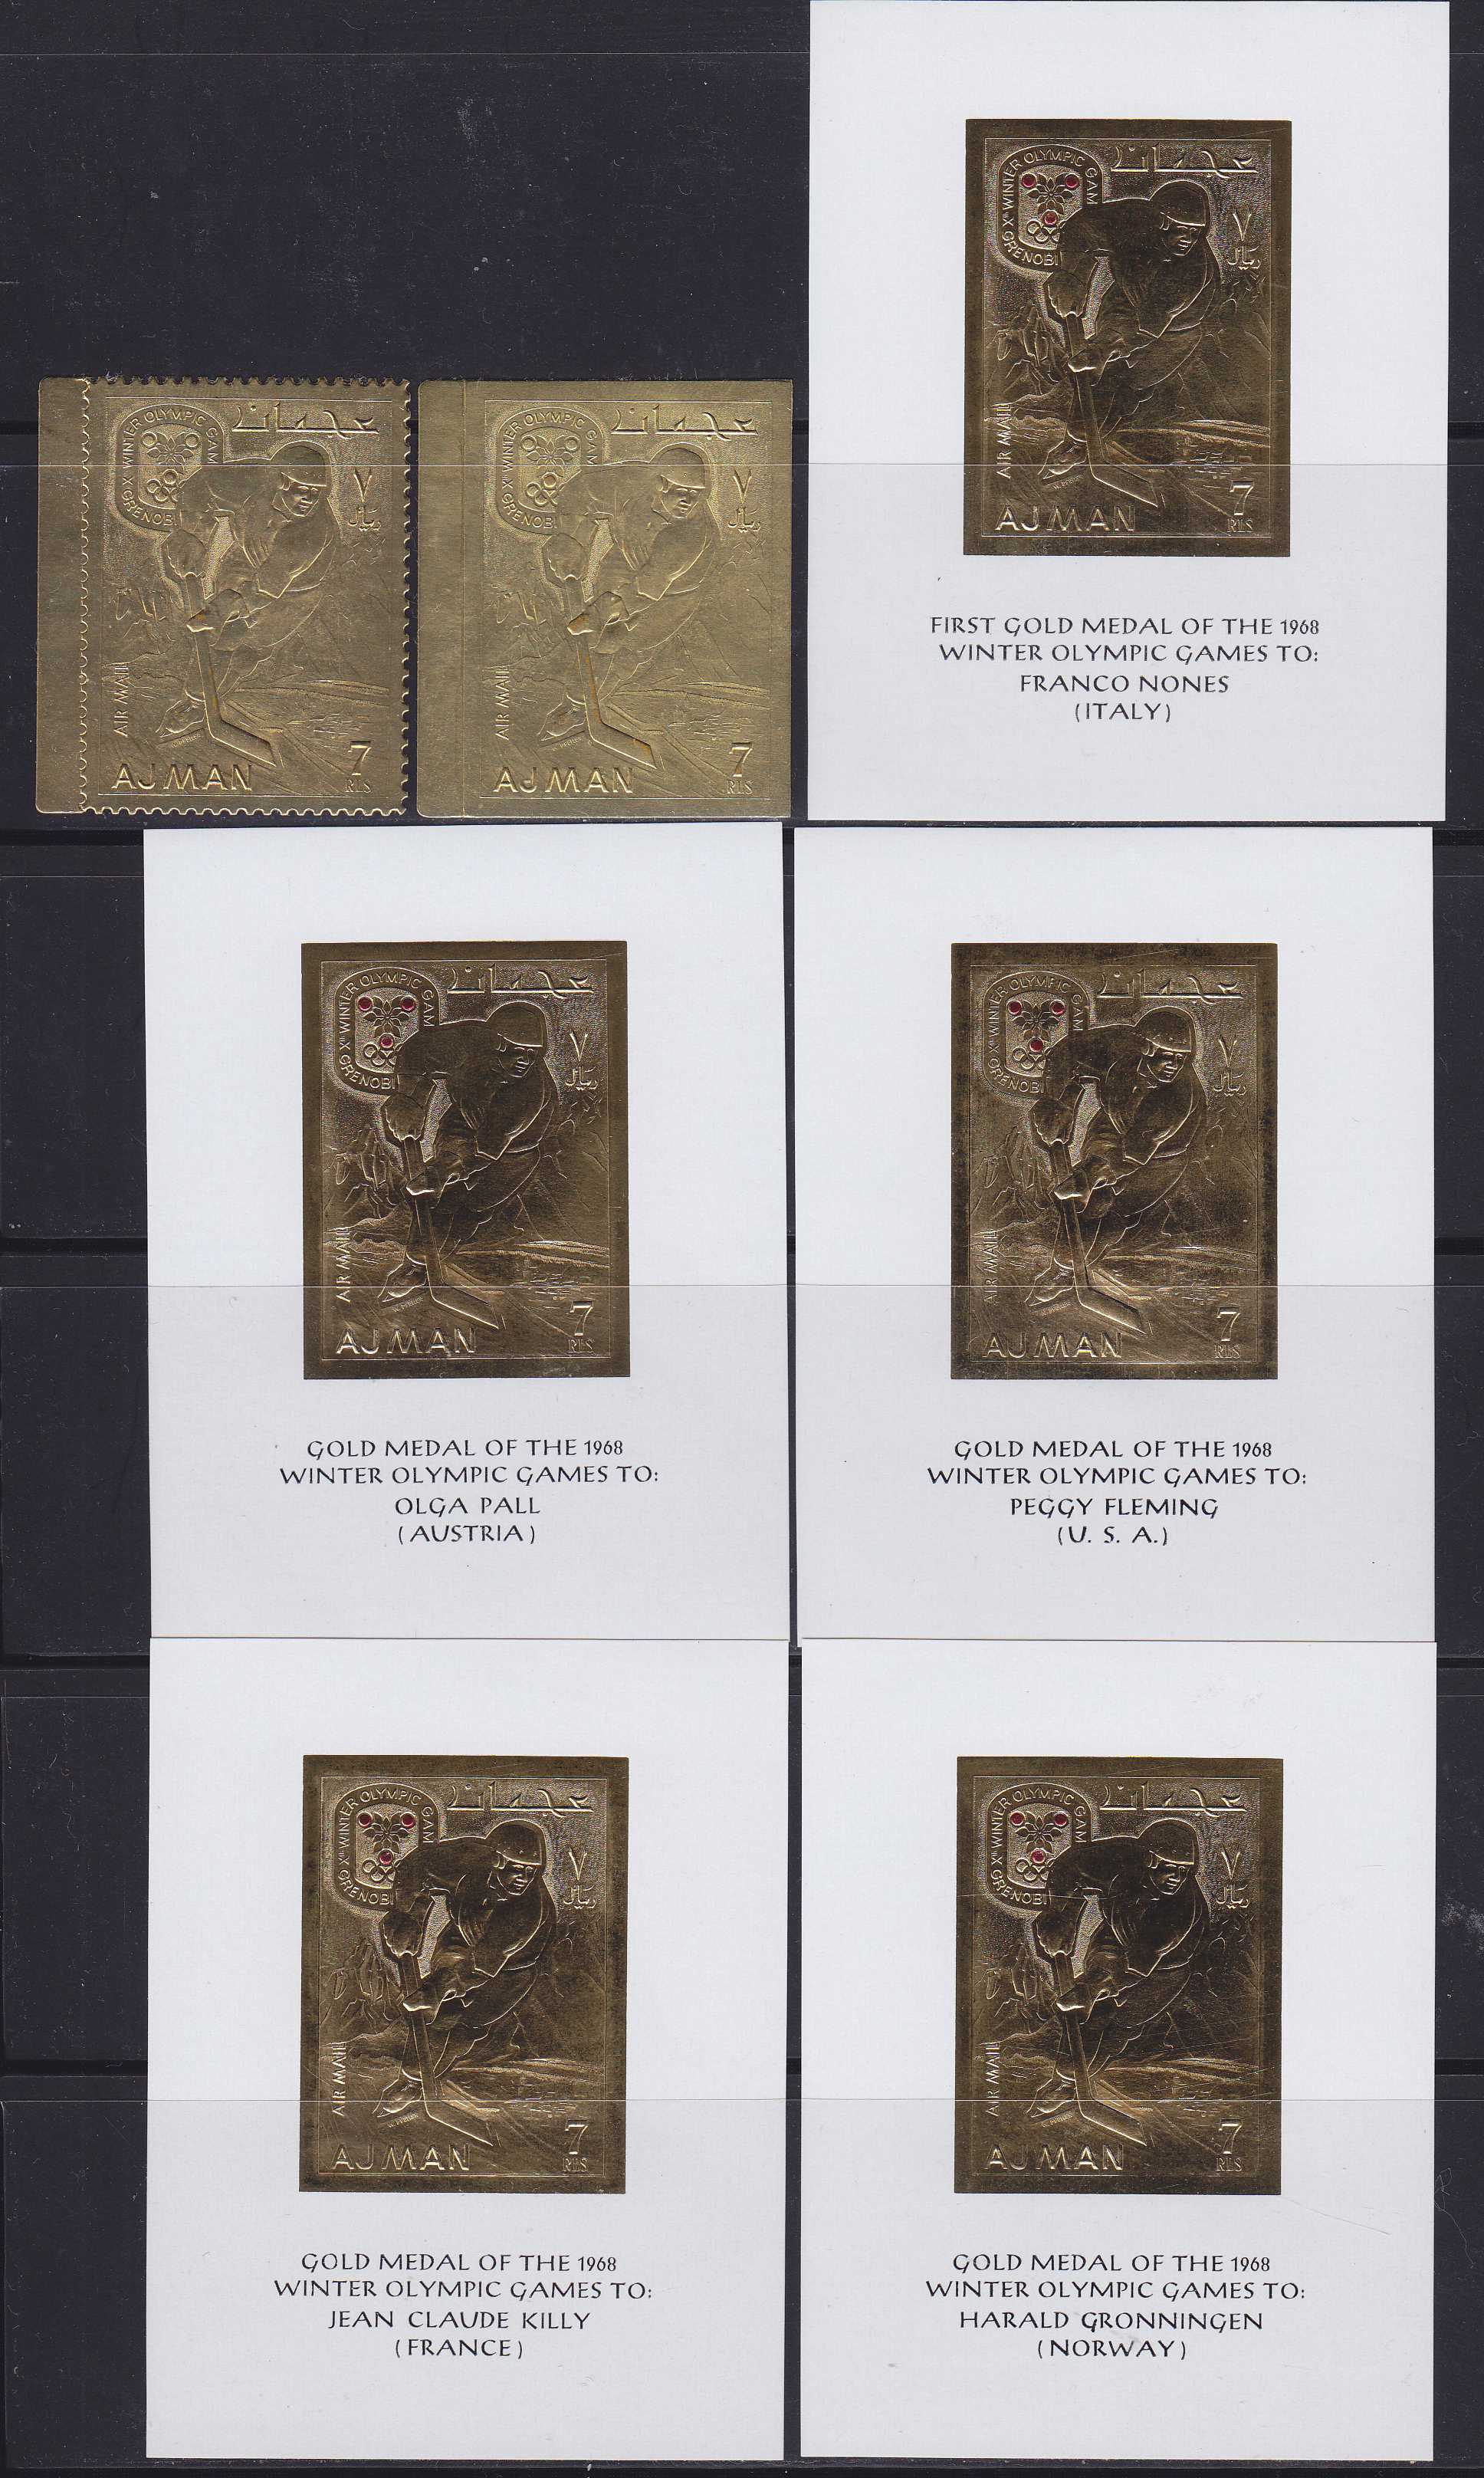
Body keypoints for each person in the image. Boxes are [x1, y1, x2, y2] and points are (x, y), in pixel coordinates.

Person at [377, 997, 561, 1303]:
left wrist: (440, 1172)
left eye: (532, 1054)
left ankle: (435, 1261)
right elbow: (416, 1051)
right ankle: (415, 1267)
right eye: (516, 1050)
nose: (525, 1061)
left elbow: (483, 1149)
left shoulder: (528, 1094)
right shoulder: (464, 1041)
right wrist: (409, 1098)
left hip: (513, 1155)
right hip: (463, 1122)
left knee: (470, 1210)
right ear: (494, 1042)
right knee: (438, 1202)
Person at [375, 1817, 557, 2121]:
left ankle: (418, 2083)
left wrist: (437, 1988)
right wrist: (408, 1914)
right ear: (496, 1860)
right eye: (517, 1868)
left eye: (532, 1871)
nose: (524, 1878)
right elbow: (415, 1867)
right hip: (462, 1938)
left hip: (511, 1970)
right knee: (438, 2017)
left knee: (465, 2025)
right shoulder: (466, 1859)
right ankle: (411, 2080)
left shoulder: (528, 1911)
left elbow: (481, 1964)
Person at [537, 444, 720, 744]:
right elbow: (579, 492)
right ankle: (578, 692)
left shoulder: (691, 534)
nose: (689, 501)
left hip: (673, 594)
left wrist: (602, 613)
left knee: (621, 642)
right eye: (681, 491)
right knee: (596, 637)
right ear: (660, 483)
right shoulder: (627, 482)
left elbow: (649, 584)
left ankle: (579, 708)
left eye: (696, 494)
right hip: (626, 558)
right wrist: (571, 539)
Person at [1039, 179, 1222, 479]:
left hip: (1174, 333)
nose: (1189, 239)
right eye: (1181, 229)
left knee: (1127, 384)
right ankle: (1076, 443)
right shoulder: (1131, 220)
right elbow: (1081, 228)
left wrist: (1103, 349)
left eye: (1196, 232)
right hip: (1125, 299)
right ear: (1160, 220)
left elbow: (1146, 327)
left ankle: (1087, 443)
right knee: (1096, 377)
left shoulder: (1190, 272)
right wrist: (1072, 275)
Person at [158, 438, 340, 736]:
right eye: (302, 489)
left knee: (242, 642)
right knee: (220, 637)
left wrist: (224, 607)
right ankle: (194, 704)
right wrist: (191, 534)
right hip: (244, 559)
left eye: (316, 492)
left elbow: (267, 586)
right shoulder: (249, 479)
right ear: (281, 481)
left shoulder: (313, 532)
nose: (309, 499)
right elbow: (199, 488)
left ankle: (217, 690)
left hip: (293, 594)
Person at [1029, 1818, 1210, 2114]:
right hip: (1116, 1936)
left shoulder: (1180, 1911)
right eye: (1170, 1867)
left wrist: (1092, 1988)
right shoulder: (1118, 1859)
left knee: (1119, 2024)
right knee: (1088, 2016)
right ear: (1149, 1859)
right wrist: (1061, 1914)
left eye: (1185, 1871)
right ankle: (1065, 2081)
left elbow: (1136, 1964)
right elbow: (1069, 1868)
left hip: (1163, 1970)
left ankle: (1074, 2082)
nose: (1178, 1878)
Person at [1027, 1005, 1206, 1302]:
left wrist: (1087, 1177)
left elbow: (1132, 1154)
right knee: (1088, 1205)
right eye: (1167, 1055)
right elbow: (1065, 1055)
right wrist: (1058, 1101)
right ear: (1145, 1048)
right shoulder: (1116, 1046)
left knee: (1109, 1206)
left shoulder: (1176, 1098)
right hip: (1112, 1125)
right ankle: (1063, 1269)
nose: (1174, 1065)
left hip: (1160, 1159)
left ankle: (1067, 1269)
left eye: (1181, 1058)